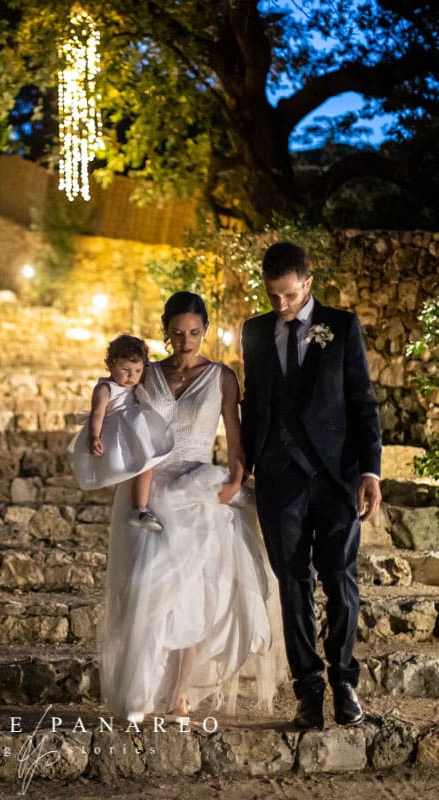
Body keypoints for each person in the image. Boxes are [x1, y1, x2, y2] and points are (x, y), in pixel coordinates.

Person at [99, 293, 284, 725]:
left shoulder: (222, 378)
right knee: (150, 589)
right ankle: (141, 690)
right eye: (178, 333)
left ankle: (180, 694)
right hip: (153, 489)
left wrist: (236, 480)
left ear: (205, 329)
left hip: (201, 488)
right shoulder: (146, 376)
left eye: (195, 333)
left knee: (199, 597)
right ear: (166, 331)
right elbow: (119, 418)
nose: (187, 341)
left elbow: (236, 439)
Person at [240, 241, 382, 730]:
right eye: (273, 295)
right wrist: (245, 464)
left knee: (340, 582)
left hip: (337, 478)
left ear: (309, 283)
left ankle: (344, 681)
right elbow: (253, 404)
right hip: (279, 479)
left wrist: (371, 471)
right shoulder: (254, 332)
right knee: (292, 585)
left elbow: (363, 402)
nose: (281, 306)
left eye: (290, 295)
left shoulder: (342, 327)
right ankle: (308, 689)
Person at [70, 334, 174, 530]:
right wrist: (94, 437)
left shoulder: (135, 386)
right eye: (125, 369)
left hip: (134, 432)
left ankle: (140, 508)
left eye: (137, 371)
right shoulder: (105, 388)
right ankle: (139, 509)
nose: (131, 376)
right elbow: (98, 414)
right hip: (119, 434)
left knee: (146, 468)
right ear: (110, 365)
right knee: (144, 467)